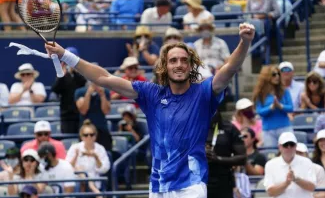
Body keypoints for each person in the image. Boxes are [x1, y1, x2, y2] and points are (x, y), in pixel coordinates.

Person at [44, 22, 255, 197]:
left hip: (191, 185)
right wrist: (65, 55)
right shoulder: (151, 94)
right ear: (165, 66)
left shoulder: (203, 93)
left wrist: (244, 42)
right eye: (173, 60)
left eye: (184, 60)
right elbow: (104, 78)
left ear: (191, 67)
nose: (179, 64)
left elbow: (229, 69)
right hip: (159, 187)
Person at [206, 112, 247, 198]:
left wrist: (218, 159)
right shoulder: (193, 126)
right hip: (198, 180)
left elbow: (243, 158)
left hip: (223, 180)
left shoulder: (230, 128)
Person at [264, 132, 316, 198]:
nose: (289, 147)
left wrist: (296, 179)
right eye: (285, 145)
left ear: (296, 146)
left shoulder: (307, 162)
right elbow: (270, 192)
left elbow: (312, 187)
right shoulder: (270, 165)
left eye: (292, 144)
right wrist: (286, 183)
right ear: (279, 147)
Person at [253, 65, 293, 147]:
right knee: (271, 154)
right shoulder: (260, 94)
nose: (277, 76)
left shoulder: (284, 91)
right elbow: (260, 112)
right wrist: (271, 108)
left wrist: (280, 106)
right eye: (274, 74)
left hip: (285, 127)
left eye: (278, 74)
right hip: (268, 130)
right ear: (267, 77)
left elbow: (291, 108)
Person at [66, 120, 110, 194]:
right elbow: (67, 167)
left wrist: (96, 157)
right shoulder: (74, 147)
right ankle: (96, 192)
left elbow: (105, 169)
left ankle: (92, 188)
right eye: (86, 135)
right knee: (80, 171)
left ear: (95, 136)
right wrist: (76, 156)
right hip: (76, 181)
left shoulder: (100, 148)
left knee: (84, 174)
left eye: (91, 134)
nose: (89, 137)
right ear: (81, 137)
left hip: (95, 180)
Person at [51, 47, 87, 134]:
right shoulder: (62, 75)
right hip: (66, 115)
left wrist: (75, 71)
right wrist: (61, 75)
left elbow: (83, 83)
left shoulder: (79, 75)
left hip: (80, 113)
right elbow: (55, 89)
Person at [75, 82, 112, 150]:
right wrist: (88, 94)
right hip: (85, 130)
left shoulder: (105, 91)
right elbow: (83, 110)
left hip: (102, 129)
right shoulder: (80, 92)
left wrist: (102, 95)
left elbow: (106, 111)